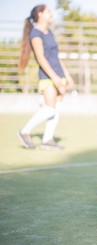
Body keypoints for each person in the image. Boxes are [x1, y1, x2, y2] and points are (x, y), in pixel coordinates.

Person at [17, 4, 73, 151]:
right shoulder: (35, 33)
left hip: (59, 75)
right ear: (40, 14)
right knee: (50, 109)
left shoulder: (50, 33)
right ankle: (25, 131)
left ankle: (47, 139)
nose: (51, 14)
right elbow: (41, 58)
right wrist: (54, 78)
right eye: (48, 12)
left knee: (57, 108)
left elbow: (56, 57)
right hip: (48, 77)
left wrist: (67, 75)